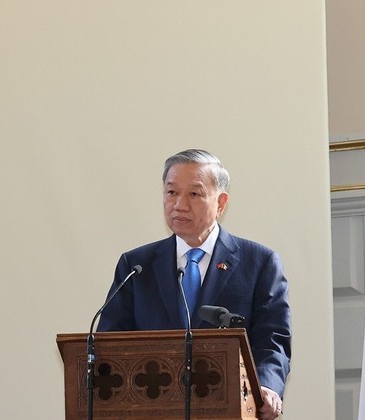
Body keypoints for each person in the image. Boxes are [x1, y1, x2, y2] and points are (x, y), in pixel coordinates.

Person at [97, 149, 291, 420]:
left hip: (228, 409)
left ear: (221, 203)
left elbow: (273, 340)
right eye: (171, 192)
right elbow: (111, 341)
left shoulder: (259, 262)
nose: (179, 204)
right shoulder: (136, 266)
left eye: (194, 194)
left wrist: (267, 387)